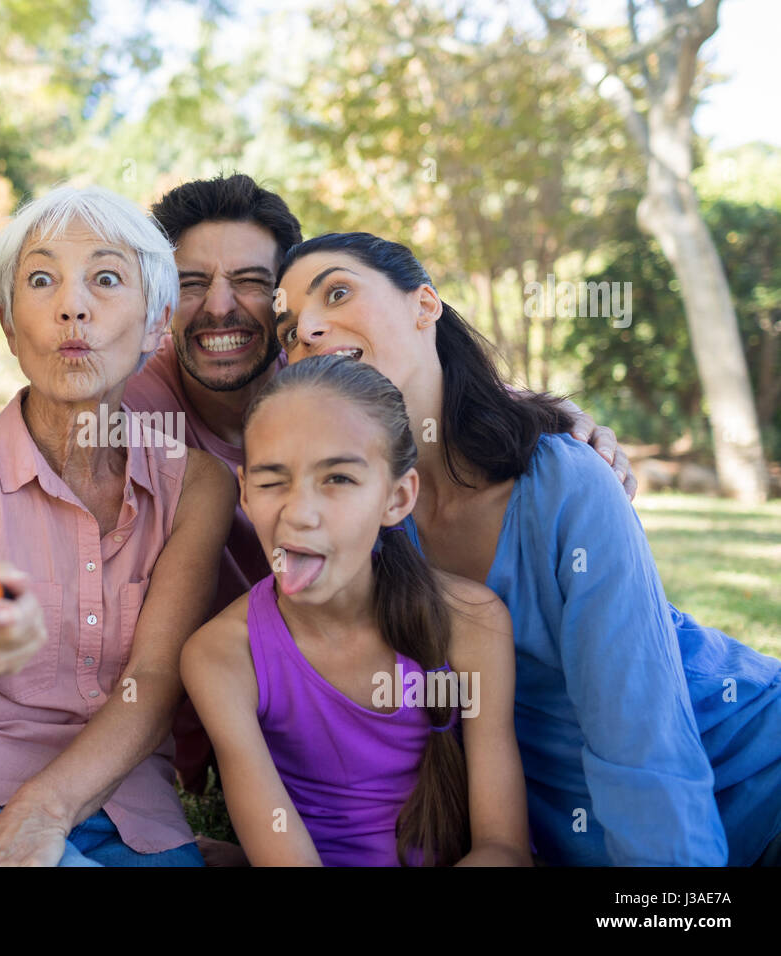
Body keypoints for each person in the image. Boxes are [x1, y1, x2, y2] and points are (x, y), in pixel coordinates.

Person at [275, 231, 781, 866]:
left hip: (744, 770)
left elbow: (643, 739)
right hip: (571, 834)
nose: (310, 330)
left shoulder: (564, 478)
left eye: (338, 292)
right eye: (289, 331)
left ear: (425, 305)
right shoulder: (353, 521)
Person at [124, 172, 638, 795]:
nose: (220, 306)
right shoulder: (133, 401)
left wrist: (551, 415)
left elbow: (424, 371)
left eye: (254, 283)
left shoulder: (318, 363)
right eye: (191, 283)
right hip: (261, 718)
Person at [0, 185, 235, 867]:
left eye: (105, 278)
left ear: (157, 324)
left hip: (129, 812)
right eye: (41, 280)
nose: (72, 304)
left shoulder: (198, 487)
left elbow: (153, 678)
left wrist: (45, 812)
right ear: (9, 326)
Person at [181, 355, 531, 866]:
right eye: (271, 481)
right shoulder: (220, 655)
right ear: (245, 494)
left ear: (396, 497)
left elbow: (503, 849)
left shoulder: (472, 622)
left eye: (338, 479)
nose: (299, 513)